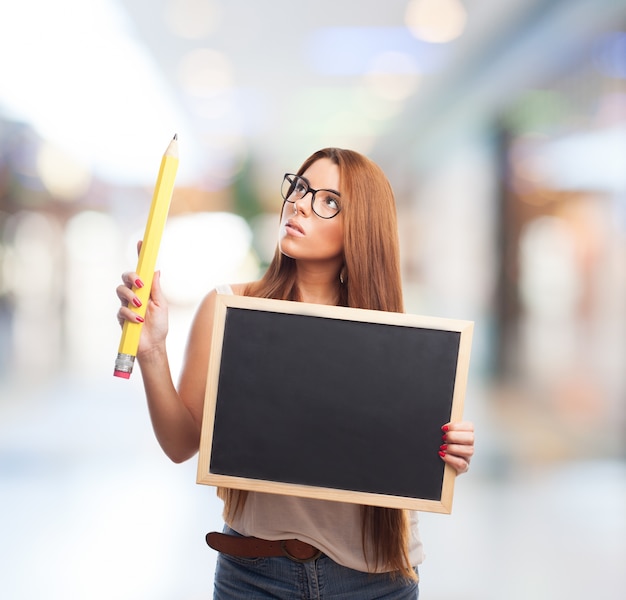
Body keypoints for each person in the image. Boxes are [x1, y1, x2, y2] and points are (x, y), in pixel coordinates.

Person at [116, 147, 475, 599]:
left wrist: (446, 449)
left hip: (375, 582)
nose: (300, 204)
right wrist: (151, 350)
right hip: (254, 576)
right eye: (301, 188)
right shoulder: (231, 308)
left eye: (328, 201)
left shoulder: (392, 337)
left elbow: (400, 451)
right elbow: (180, 444)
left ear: (360, 227)